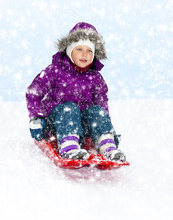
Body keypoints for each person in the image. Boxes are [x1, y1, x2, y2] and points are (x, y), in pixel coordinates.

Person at [26, 22, 126, 162]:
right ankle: (69, 147)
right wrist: (36, 117)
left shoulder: (95, 77)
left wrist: (105, 125)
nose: (84, 54)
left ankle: (108, 147)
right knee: (69, 108)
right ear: (69, 50)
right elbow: (33, 92)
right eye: (79, 49)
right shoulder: (55, 70)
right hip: (57, 123)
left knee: (96, 110)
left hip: (84, 126)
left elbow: (101, 103)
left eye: (89, 50)